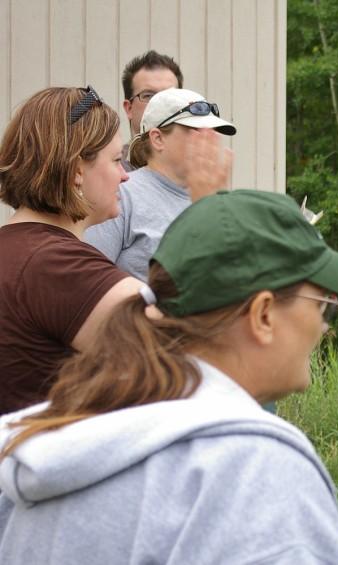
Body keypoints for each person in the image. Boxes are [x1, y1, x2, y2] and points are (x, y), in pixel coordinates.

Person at [0, 189, 338, 564]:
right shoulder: (254, 471)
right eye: (322, 306)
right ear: (263, 314)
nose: (323, 328)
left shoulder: (46, 446)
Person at [0, 86, 142, 415]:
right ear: (77, 169)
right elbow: (186, 359)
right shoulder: (58, 266)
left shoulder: (17, 251)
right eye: (117, 160)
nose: (125, 177)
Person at [85, 87, 236, 280]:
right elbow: (90, 280)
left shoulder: (217, 200)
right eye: (196, 131)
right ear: (157, 139)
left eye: (212, 132)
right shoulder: (122, 195)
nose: (209, 141)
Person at [120, 50, 183, 171]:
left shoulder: (196, 172)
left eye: (170, 95)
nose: (160, 104)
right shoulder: (113, 169)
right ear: (129, 108)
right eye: (148, 96)